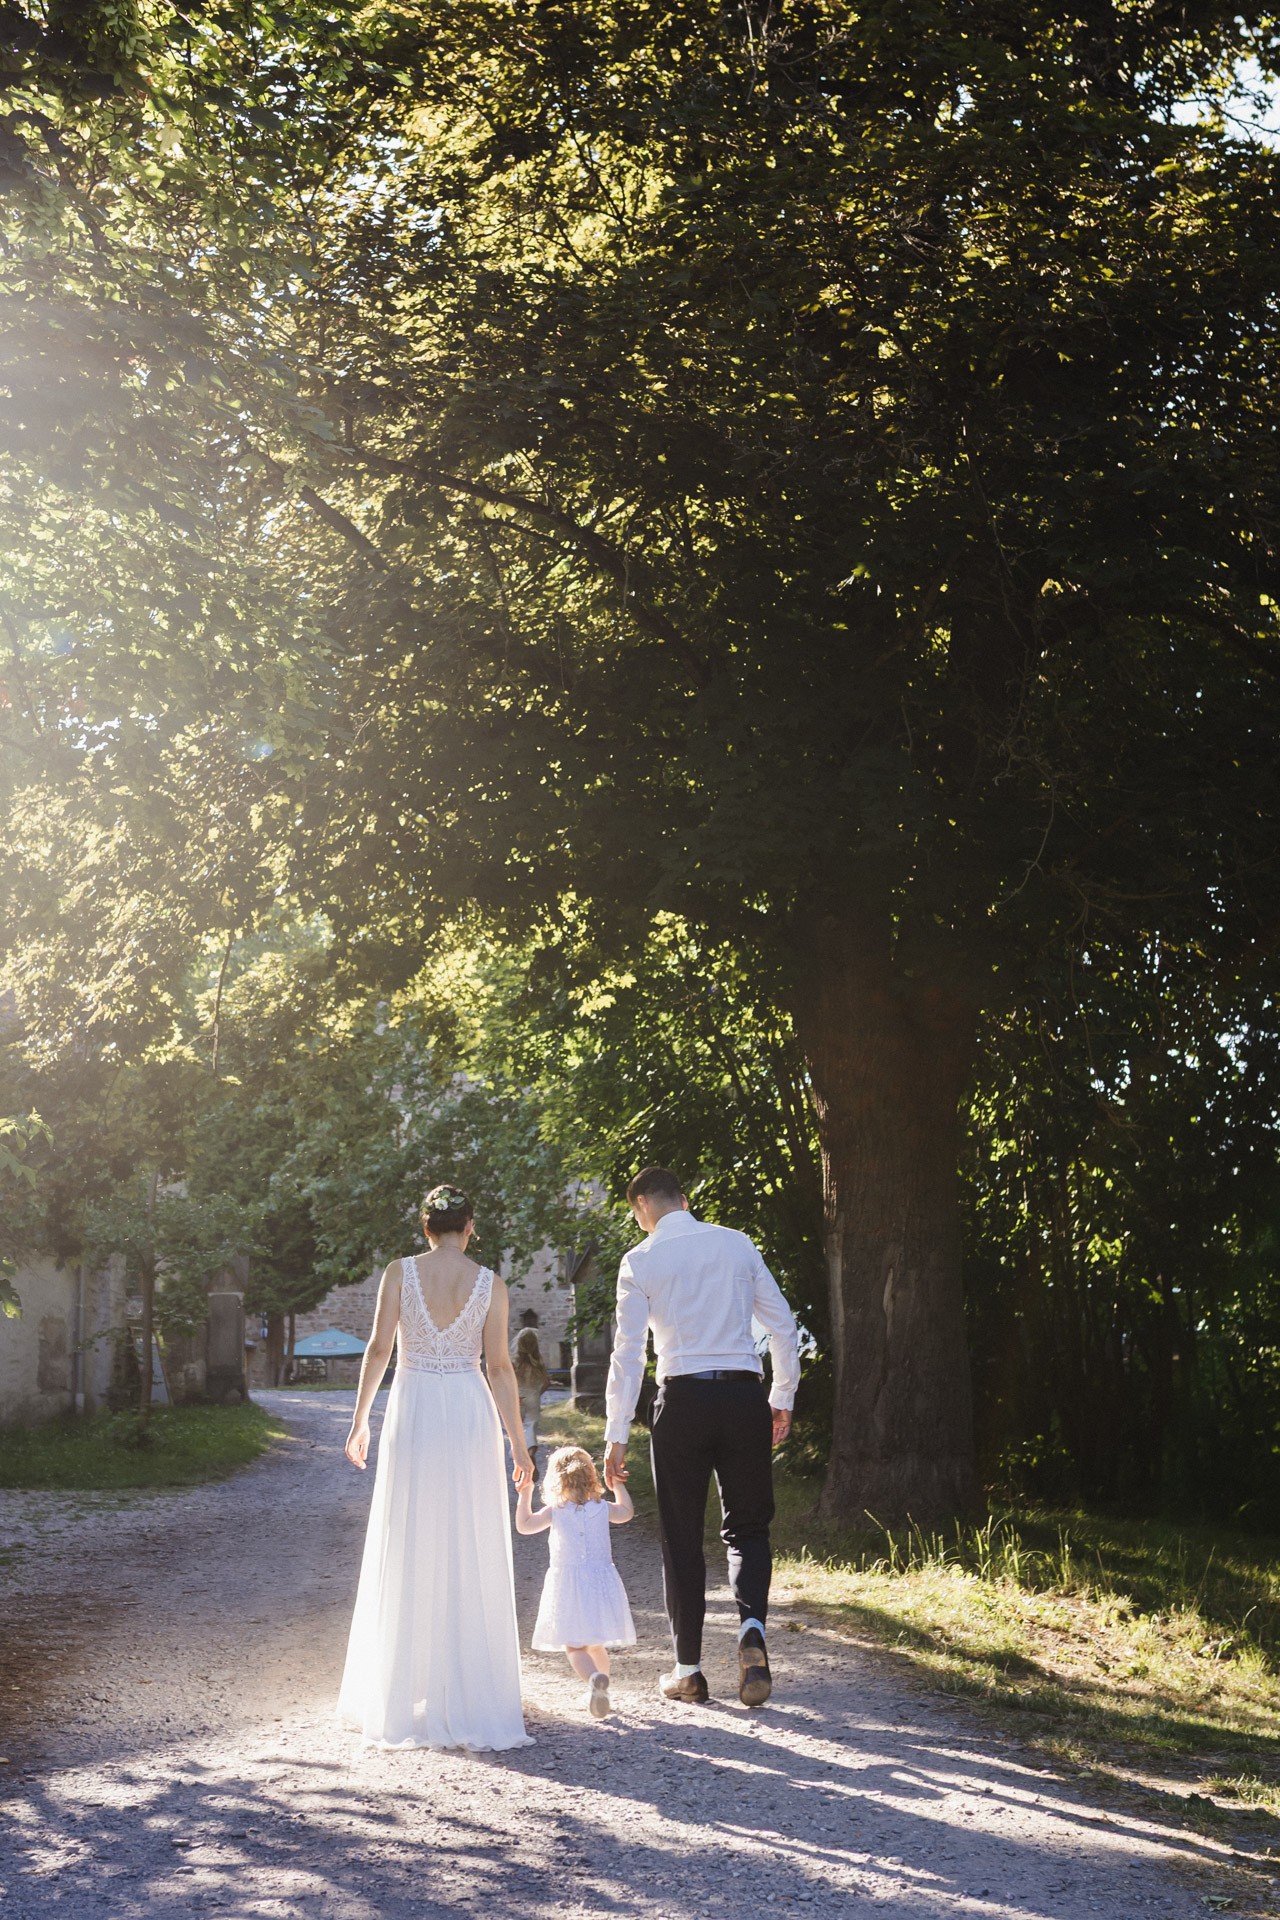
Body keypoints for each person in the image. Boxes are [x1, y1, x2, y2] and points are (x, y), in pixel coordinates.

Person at [337, 1183, 535, 1750]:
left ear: (426, 1227)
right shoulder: (491, 1283)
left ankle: (405, 1690)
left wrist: (360, 1420)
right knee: (468, 1536)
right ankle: (471, 1690)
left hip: (416, 1405)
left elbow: (378, 1350)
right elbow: (499, 1367)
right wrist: (518, 1446)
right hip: (470, 1411)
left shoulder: (399, 1273)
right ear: (469, 1225)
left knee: (410, 1535)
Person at [603, 1167, 800, 1708]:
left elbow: (627, 1354)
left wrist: (615, 1433)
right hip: (743, 1398)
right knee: (749, 1528)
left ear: (642, 1204)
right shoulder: (737, 1245)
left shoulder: (640, 1260)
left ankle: (688, 1671)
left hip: (682, 1401)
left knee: (682, 1535)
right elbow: (782, 1328)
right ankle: (751, 1630)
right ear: (685, 1200)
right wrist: (780, 1398)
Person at [517, 1444, 636, 1719]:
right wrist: (618, 1486)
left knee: (574, 1646)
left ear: (555, 1479)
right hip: (599, 1584)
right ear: (592, 1477)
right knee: (595, 1644)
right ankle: (601, 1686)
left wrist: (525, 1495)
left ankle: (594, 1680)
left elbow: (525, 1526)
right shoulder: (602, 1508)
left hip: (568, 1587)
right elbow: (626, 1512)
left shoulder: (556, 1510)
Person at [513, 1326, 552, 1461]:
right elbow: (547, 1382)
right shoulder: (538, 1363)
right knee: (531, 1426)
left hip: (517, 1397)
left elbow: (509, 1381)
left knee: (517, 1426)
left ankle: (518, 1454)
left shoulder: (514, 1363)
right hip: (533, 1397)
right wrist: (537, 1393)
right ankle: (531, 1452)